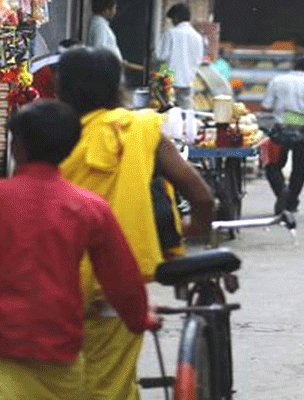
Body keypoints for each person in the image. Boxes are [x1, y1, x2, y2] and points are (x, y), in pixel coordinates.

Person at [57, 47, 214, 400]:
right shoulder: (141, 129)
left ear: (60, 88)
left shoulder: (46, 134)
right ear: (118, 87)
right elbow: (202, 197)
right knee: (108, 387)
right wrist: (186, 240)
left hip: (50, 285)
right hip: (117, 287)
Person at [0, 100, 160, 399]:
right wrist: (140, 319)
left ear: (17, 146)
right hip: (58, 350)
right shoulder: (88, 207)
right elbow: (122, 279)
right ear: (71, 146)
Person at [261, 55, 304, 214]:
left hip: (281, 129)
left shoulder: (277, 81)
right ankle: (291, 202)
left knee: (272, 165)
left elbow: (266, 105)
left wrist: (285, 111)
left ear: (294, 66)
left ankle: (281, 192)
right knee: (299, 169)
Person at [156, 2, 204, 109]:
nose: (172, 22)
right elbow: (199, 60)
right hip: (188, 83)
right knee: (185, 114)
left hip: (168, 81)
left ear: (176, 18)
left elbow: (161, 56)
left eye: (172, 19)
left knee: (167, 114)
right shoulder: (197, 37)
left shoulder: (170, 34)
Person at [87, 0, 142, 72]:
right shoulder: (99, 26)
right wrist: (116, 61)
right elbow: (99, 51)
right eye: (114, 8)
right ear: (106, 10)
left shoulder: (102, 24)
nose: (115, 11)